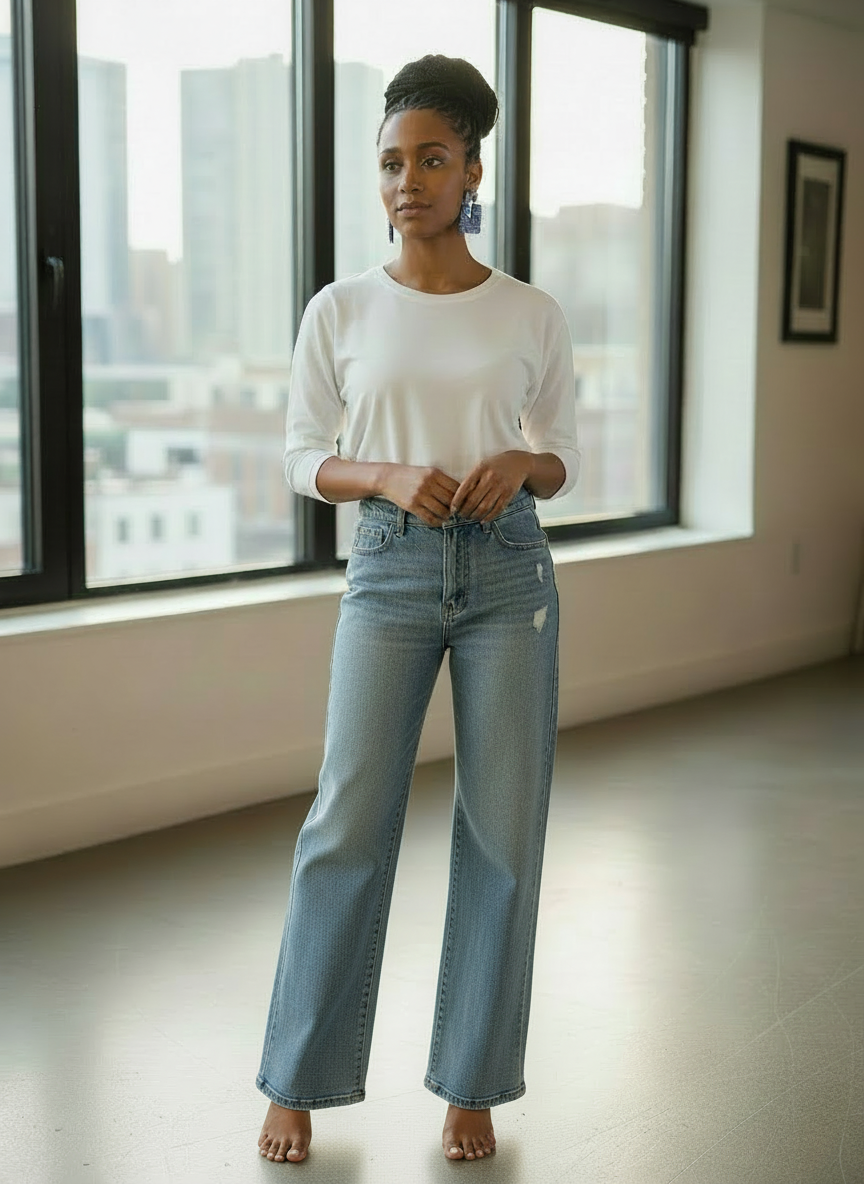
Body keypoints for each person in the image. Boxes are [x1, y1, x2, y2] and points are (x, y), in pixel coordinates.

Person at [256, 53, 580, 1165]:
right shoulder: (340, 308)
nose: (407, 180)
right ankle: (297, 1075)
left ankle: (474, 1083)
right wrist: (385, 474)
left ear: (472, 169)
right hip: (388, 569)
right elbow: (302, 456)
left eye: (431, 159)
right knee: (344, 822)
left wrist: (522, 463)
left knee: (502, 830)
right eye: (391, 162)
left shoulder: (531, 311)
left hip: (508, 577)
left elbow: (564, 455)